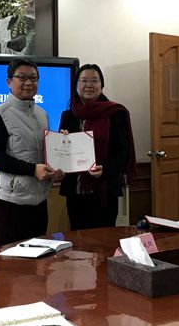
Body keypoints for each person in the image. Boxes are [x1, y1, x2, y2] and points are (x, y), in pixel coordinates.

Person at [0, 58, 63, 247]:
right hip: (10, 203)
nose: (29, 83)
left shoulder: (42, 114)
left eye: (33, 78)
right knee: (9, 261)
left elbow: (43, 154)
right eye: (22, 77)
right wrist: (32, 170)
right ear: (9, 82)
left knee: (38, 259)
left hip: (39, 201)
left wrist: (59, 161)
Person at [59, 63, 137, 230]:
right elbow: (63, 151)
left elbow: (123, 152)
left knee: (103, 238)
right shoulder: (68, 115)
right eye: (84, 80)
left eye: (94, 80)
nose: (89, 85)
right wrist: (62, 140)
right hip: (75, 191)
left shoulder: (114, 113)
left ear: (102, 85)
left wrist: (105, 169)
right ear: (77, 85)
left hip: (105, 190)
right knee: (78, 238)